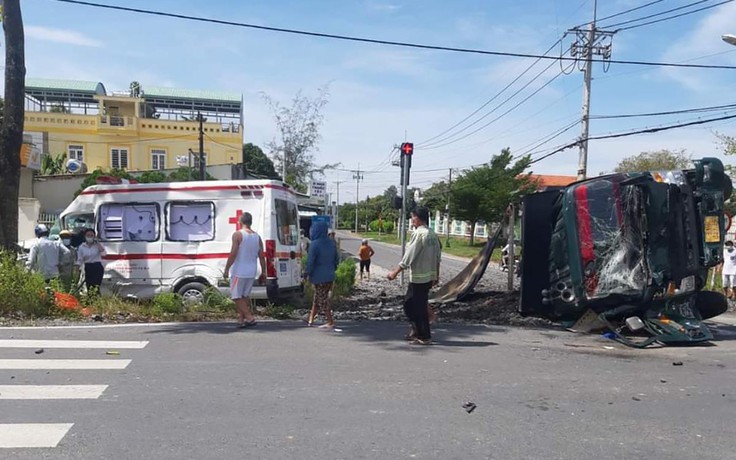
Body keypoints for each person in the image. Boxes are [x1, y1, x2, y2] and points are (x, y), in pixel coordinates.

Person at [387, 207, 442, 345]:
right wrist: (436, 275)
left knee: (412, 305)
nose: (411, 220)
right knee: (416, 304)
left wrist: (395, 272)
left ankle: (423, 335)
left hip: (419, 277)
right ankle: (418, 331)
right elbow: (438, 256)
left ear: (417, 218)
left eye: (412, 217)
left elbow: (410, 255)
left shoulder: (419, 234)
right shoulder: (432, 234)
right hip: (428, 276)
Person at [223, 212, 266, 328]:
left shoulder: (238, 235)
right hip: (251, 271)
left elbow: (233, 253)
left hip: (239, 270)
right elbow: (262, 256)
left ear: (240, 222)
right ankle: (241, 320)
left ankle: (249, 317)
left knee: (236, 296)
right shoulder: (257, 237)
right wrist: (263, 271)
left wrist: (226, 269)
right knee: (244, 296)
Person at [306, 220, 340, 329]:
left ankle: (330, 321)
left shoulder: (314, 244)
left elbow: (310, 262)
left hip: (319, 276)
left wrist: (307, 273)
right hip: (330, 275)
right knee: (318, 297)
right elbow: (336, 260)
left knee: (322, 299)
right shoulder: (332, 243)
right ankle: (310, 319)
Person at [75, 228, 106, 294]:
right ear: (85, 236)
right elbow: (80, 259)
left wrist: (98, 243)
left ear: (94, 236)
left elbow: (104, 254)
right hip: (88, 267)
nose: (90, 237)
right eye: (88, 235)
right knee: (89, 285)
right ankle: (90, 301)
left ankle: (97, 301)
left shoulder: (97, 245)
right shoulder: (82, 247)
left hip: (97, 266)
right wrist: (77, 267)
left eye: (91, 235)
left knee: (96, 286)